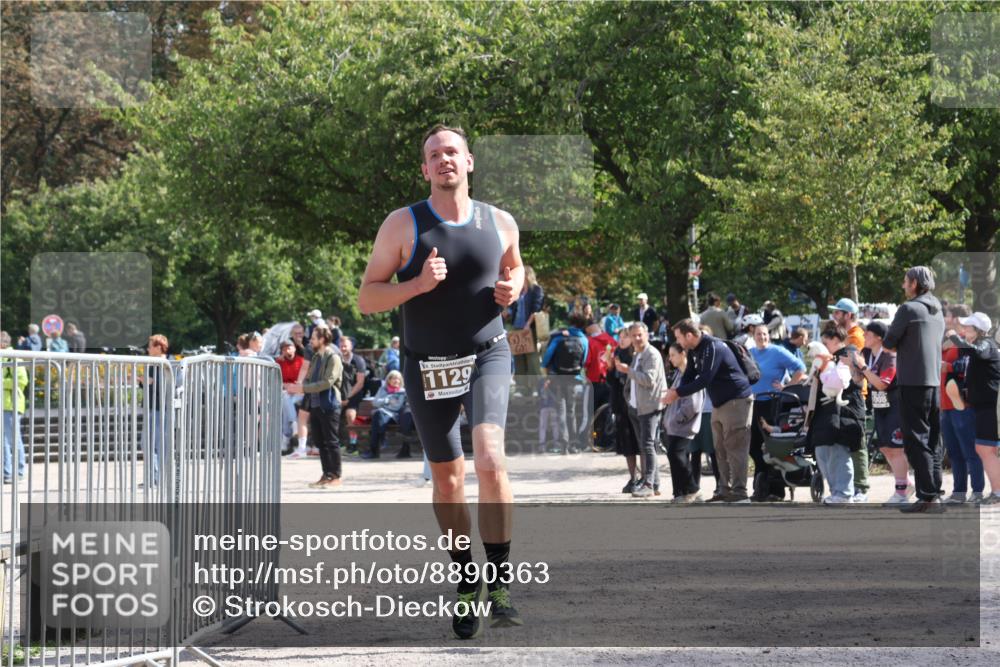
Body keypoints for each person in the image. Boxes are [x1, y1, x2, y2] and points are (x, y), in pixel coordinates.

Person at [357, 124, 523, 637]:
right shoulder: (402, 225)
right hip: (426, 364)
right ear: (425, 169)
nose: (444, 160)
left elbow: (517, 268)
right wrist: (418, 284)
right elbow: (368, 297)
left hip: (486, 355)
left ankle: (498, 582)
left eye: (452, 151)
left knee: (491, 458)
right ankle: (466, 576)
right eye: (434, 155)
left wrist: (513, 287)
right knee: (449, 481)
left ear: (469, 161)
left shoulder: (500, 221)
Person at [666, 318, 754, 503]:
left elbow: (705, 378)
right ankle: (724, 490)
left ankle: (740, 493)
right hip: (719, 403)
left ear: (689, 335)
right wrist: (676, 391)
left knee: (735, 448)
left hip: (736, 401)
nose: (678, 342)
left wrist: (677, 393)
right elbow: (689, 375)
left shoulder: (713, 347)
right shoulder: (694, 351)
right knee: (720, 449)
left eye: (679, 337)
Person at [882, 266, 946, 513]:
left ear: (915, 284)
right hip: (933, 382)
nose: (903, 285)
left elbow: (888, 344)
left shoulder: (908, 309)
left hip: (912, 383)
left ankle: (927, 496)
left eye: (905, 281)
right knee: (933, 440)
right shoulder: (938, 308)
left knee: (916, 440)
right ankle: (934, 494)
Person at [853, 321, 912, 504]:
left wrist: (863, 367)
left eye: (868, 334)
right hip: (878, 401)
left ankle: (901, 491)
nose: (864, 337)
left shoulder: (890, 355)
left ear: (879, 337)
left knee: (896, 447)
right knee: (885, 446)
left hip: (894, 400)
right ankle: (907, 484)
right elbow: (858, 380)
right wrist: (853, 366)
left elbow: (882, 384)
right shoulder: (867, 353)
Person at [748, 323, 806, 501]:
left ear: (769, 336)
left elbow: (800, 368)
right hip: (754, 403)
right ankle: (761, 486)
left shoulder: (777, 351)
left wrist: (786, 387)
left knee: (772, 446)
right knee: (754, 446)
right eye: (759, 334)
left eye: (765, 334)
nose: (762, 337)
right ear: (753, 335)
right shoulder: (750, 353)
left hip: (773, 403)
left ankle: (776, 490)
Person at [807, 325, 864, 504]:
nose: (823, 346)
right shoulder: (828, 358)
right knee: (823, 452)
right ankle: (836, 492)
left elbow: (845, 382)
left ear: (835, 339)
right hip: (826, 413)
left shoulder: (849, 354)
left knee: (837, 452)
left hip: (843, 412)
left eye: (825, 342)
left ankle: (844, 493)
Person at [949, 312, 1000, 504]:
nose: (964, 330)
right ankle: (996, 492)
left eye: (968, 327)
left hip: (990, 406)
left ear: (978, 330)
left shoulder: (986, 343)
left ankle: (997, 493)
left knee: (986, 449)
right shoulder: (981, 345)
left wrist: (954, 337)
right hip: (984, 406)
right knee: (985, 448)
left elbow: (977, 351)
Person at [285, 326, 343, 489]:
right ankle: (327, 474)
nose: (310, 341)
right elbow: (310, 379)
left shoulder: (333, 357)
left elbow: (327, 382)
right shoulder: (317, 357)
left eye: (314, 338)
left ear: (323, 339)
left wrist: (303, 389)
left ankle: (336, 476)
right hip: (316, 404)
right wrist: (297, 387)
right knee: (320, 442)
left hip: (330, 405)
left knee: (332, 442)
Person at [615, 322, 666, 498]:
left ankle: (649, 484)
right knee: (646, 446)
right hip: (637, 407)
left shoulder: (652, 354)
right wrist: (629, 398)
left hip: (650, 406)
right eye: (633, 335)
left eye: (640, 335)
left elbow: (649, 380)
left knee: (648, 445)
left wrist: (627, 370)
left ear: (647, 335)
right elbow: (633, 381)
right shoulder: (638, 354)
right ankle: (655, 483)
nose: (637, 338)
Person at [938, 304, 983, 503]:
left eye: (946, 315)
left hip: (962, 405)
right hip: (946, 405)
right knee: (954, 452)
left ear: (955, 319)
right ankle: (958, 492)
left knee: (969, 451)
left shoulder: (965, 343)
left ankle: (978, 491)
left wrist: (946, 366)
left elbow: (966, 369)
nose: (944, 318)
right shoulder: (947, 342)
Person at [830, 296, 870, 501]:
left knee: (857, 440)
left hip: (855, 394)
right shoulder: (847, 335)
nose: (835, 315)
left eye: (838, 312)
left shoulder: (855, 337)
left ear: (849, 315)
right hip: (843, 392)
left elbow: (850, 364)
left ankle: (861, 488)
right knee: (847, 440)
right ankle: (852, 485)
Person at [661, 342, 705, 502]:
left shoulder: (691, 375)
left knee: (677, 455)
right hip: (675, 426)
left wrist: (675, 418)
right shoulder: (679, 374)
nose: (670, 359)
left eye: (673, 355)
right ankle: (680, 492)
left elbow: (692, 405)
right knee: (675, 456)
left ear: (683, 354)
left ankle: (693, 490)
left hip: (684, 426)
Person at [541, 313, 590, 454]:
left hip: (558, 377)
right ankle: (574, 444)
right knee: (571, 411)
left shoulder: (559, 337)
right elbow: (584, 360)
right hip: (574, 378)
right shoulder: (583, 339)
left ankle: (564, 444)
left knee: (560, 410)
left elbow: (547, 357)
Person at [606, 326, 642, 491]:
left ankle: (645, 478)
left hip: (634, 405)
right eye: (620, 337)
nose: (622, 340)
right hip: (620, 405)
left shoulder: (635, 356)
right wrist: (610, 368)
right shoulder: (617, 355)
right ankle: (633, 477)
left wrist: (625, 370)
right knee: (627, 444)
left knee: (639, 442)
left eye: (625, 337)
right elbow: (612, 383)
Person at [510, 265, 545, 390]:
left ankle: (537, 388)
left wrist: (527, 325)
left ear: (527, 275)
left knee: (532, 360)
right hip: (517, 328)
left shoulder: (536, 290)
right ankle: (522, 388)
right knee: (519, 359)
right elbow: (514, 308)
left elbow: (536, 309)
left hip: (529, 329)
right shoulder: (518, 290)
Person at [141, 334, 170, 487]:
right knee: (151, 443)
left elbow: (165, 388)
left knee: (151, 443)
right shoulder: (154, 364)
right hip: (154, 408)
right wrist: (143, 381)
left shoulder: (165, 364)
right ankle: (155, 477)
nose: (147, 349)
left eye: (150, 346)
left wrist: (151, 382)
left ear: (158, 347)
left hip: (159, 409)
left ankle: (155, 478)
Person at [1, 331, 28, 483]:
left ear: (2, 344)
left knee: (13, 439)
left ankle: (19, 472)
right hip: (3, 404)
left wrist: (1, 383)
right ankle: (6, 473)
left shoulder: (14, 356)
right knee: (2, 441)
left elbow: (22, 380)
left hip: (11, 404)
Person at [364, 370, 407, 459]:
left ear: (400, 381)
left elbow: (396, 407)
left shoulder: (402, 392)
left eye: (398, 379)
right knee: (378, 417)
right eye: (394, 378)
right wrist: (387, 400)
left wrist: (383, 404)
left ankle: (373, 450)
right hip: (382, 414)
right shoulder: (382, 389)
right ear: (389, 380)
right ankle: (382, 438)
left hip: (394, 416)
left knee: (377, 417)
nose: (396, 381)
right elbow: (375, 403)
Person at [276, 340, 307, 457]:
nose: (287, 351)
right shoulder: (279, 362)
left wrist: (295, 387)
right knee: (285, 398)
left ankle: (286, 438)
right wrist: (285, 385)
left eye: (289, 348)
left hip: (300, 392)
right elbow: (276, 379)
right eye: (284, 349)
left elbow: (304, 380)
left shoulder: (301, 360)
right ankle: (293, 423)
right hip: (286, 392)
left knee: (285, 402)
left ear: (294, 348)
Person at [339, 336, 368, 454]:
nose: (343, 348)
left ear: (351, 346)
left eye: (345, 345)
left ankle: (353, 444)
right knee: (330, 413)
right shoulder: (336, 359)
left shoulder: (358, 360)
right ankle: (337, 443)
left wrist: (347, 397)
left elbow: (360, 383)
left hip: (354, 393)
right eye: (341, 345)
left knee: (350, 415)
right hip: (339, 393)